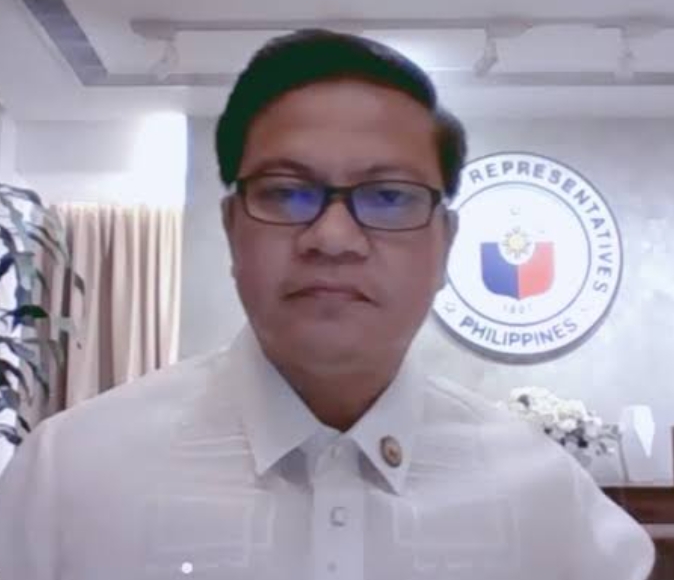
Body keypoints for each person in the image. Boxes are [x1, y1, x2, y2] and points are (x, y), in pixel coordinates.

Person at [0, 30, 654, 580]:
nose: (333, 238)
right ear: (232, 228)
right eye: (286, 192)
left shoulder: (551, 503)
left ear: (445, 244)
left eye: (389, 196)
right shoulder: (68, 479)